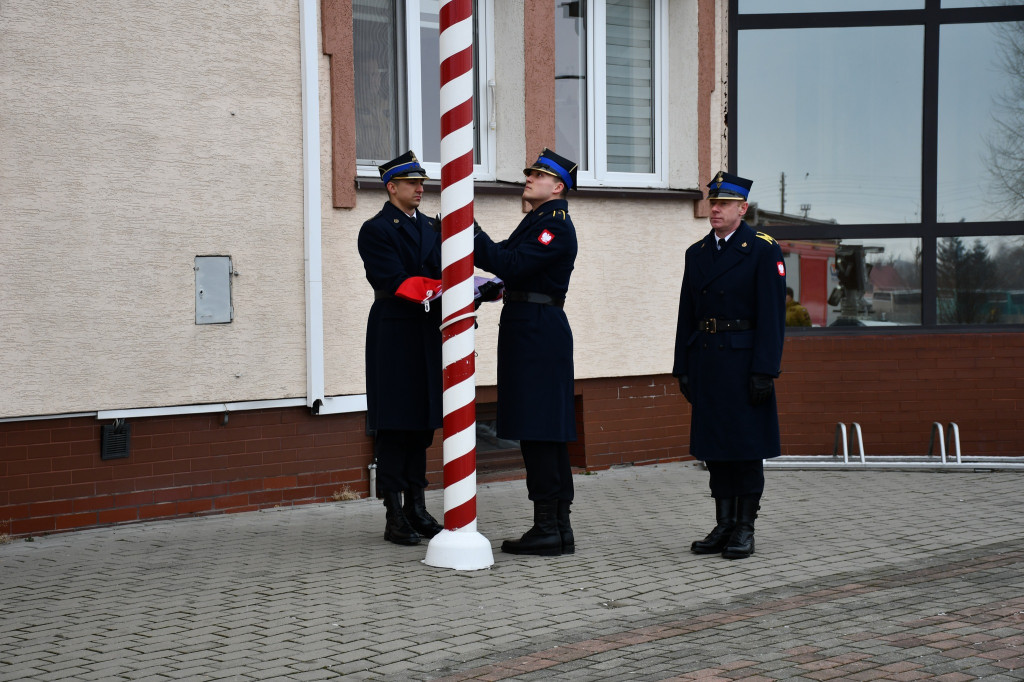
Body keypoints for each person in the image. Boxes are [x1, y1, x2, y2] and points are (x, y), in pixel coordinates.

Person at [672, 171, 786, 560]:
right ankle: (722, 524)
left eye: (723, 204)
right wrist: (681, 366)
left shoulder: (761, 249)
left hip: (743, 362)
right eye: (712, 202)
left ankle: (745, 527)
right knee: (715, 448)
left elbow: (773, 316)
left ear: (743, 208)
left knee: (745, 448)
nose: (714, 209)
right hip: (706, 359)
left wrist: (765, 369)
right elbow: (687, 313)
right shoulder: (697, 253)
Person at [474, 149, 579, 556]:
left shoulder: (555, 225)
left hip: (538, 331)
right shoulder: (537, 220)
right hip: (530, 328)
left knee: (542, 431)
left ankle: (549, 527)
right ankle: (556, 527)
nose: (528, 178)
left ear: (558, 186)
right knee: (542, 432)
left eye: (538, 175)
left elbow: (511, 264)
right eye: (530, 173)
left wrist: (471, 233)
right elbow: (505, 259)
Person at [357, 150, 445, 546]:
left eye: (421, 182)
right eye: (411, 183)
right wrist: (450, 289)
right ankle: (394, 514)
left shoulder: (433, 225)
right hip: (394, 332)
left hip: (426, 331)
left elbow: (447, 269)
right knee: (395, 424)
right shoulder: (376, 229)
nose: (420, 188)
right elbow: (397, 281)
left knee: (422, 423)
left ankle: (417, 506)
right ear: (391, 187)